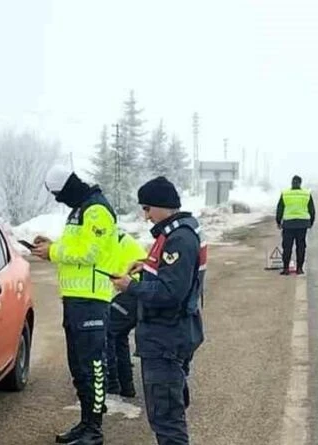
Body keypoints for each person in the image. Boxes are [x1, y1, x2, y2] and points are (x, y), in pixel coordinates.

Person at [110, 176, 204, 445]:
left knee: (166, 418)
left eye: (148, 208)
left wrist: (130, 287)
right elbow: (172, 275)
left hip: (166, 339)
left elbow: (170, 293)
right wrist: (147, 266)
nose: (146, 215)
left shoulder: (179, 239)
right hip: (170, 335)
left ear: (163, 206)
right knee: (169, 410)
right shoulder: (177, 232)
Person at [31, 165, 119, 445]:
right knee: (78, 366)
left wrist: (54, 251)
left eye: (59, 194)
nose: (58, 200)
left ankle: (94, 429)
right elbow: (76, 246)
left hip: (92, 300)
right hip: (76, 299)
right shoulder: (80, 209)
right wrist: (52, 245)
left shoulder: (96, 210)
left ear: (69, 187)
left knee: (92, 365)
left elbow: (90, 252)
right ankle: (85, 423)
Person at [106, 230, 147, 398]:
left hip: (129, 294)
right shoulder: (120, 237)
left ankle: (113, 384)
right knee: (118, 337)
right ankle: (126, 386)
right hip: (135, 294)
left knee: (108, 334)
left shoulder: (106, 238)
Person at [275, 175, 315, 275]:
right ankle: (299, 268)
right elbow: (312, 210)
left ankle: (286, 269)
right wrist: (311, 222)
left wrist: (278, 221)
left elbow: (280, 208)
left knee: (287, 246)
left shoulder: (285, 194)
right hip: (302, 224)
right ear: (300, 183)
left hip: (288, 224)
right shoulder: (306, 194)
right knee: (301, 246)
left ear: (292, 183)